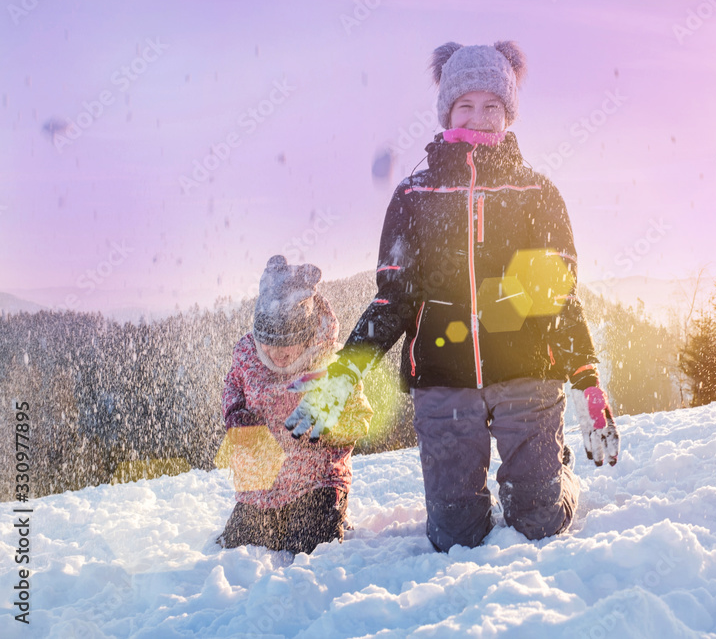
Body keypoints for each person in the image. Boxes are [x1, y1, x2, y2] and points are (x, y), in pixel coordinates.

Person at [284, 41, 620, 551]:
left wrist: (587, 382)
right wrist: (344, 374)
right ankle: (474, 504)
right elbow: (392, 298)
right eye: (466, 104)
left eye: (492, 105)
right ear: (446, 109)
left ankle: (557, 470)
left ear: (507, 113)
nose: (479, 116)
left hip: (528, 373)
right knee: (454, 536)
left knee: (540, 523)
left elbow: (557, 298)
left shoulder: (537, 193)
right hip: (443, 379)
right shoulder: (414, 197)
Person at [218, 255, 373, 554]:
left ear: (305, 334)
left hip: (316, 481)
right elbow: (233, 385)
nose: (277, 353)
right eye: (269, 343)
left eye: (286, 342)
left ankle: (329, 515)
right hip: (261, 486)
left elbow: (360, 416)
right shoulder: (247, 357)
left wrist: (332, 426)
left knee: (307, 546)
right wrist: (235, 412)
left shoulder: (331, 364)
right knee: (238, 547)